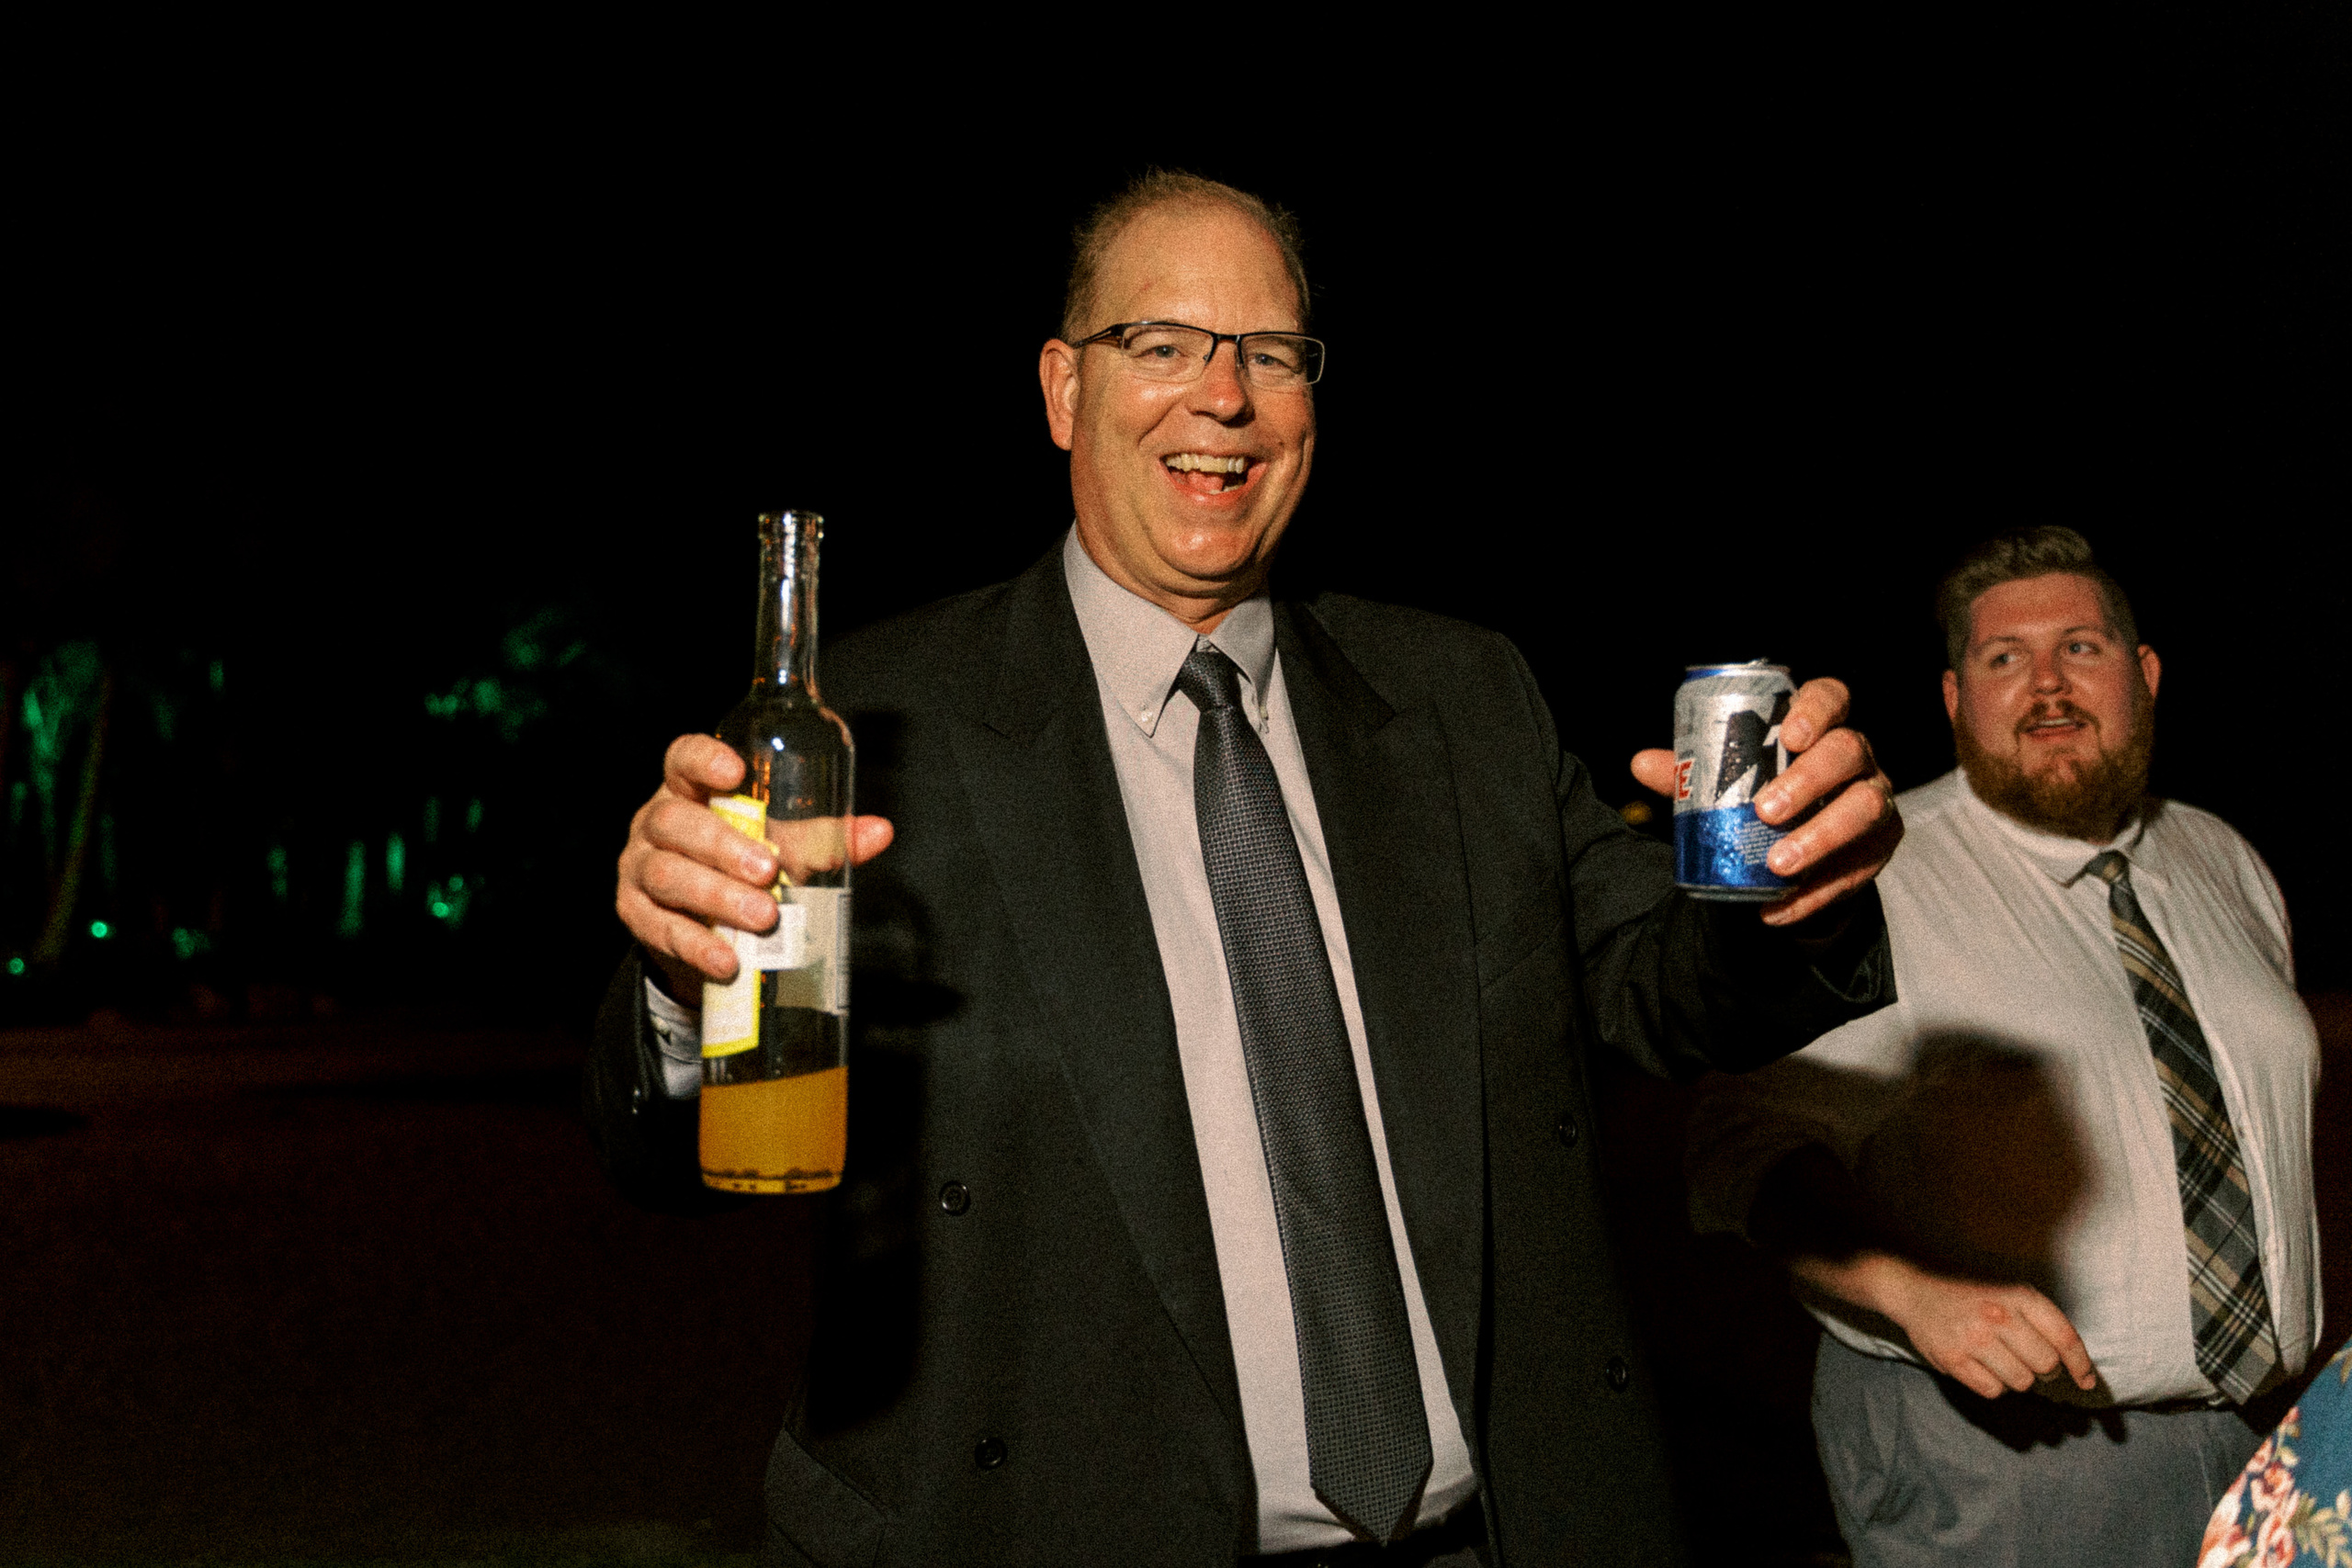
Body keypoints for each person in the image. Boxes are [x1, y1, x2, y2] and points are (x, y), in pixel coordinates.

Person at [591, 171, 1904, 1567]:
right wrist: (690, 987)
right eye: (1160, 344)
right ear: (1060, 390)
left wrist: (1784, 892)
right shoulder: (877, 726)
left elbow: (1663, 984)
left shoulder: (1461, 696)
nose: (1223, 397)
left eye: (1269, 354)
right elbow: (679, 1152)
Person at [1687, 527, 2322, 1567]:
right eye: (2002, 658)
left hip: (2258, 1441)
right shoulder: (1873, 881)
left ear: (2144, 673)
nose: (2047, 684)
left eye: (2080, 647)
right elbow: (1736, 1149)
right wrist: (1912, 1291)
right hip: (2004, 1471)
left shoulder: (2225, 859)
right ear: (1951, 699)